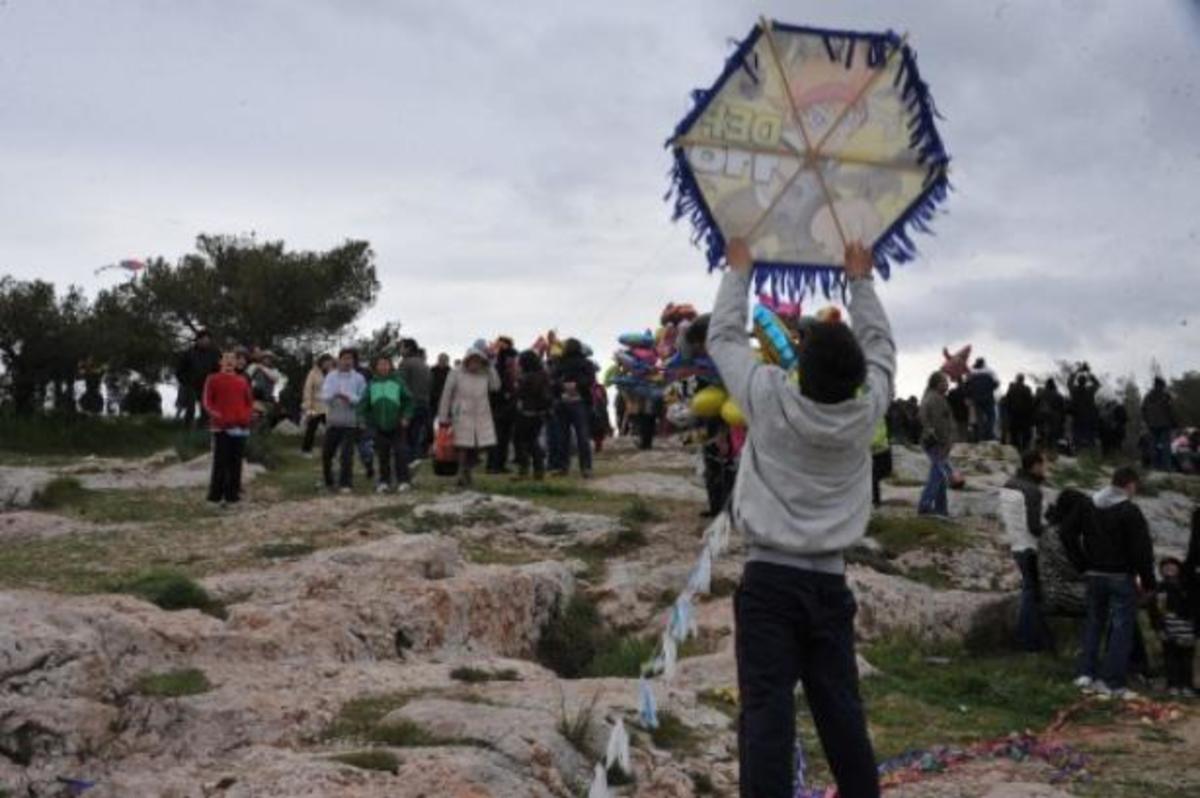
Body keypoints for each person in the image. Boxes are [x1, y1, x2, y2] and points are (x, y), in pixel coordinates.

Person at [710, 239, 890, 798]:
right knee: (841, 712)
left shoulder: (768, 398)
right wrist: (860, 281)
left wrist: (739, 271)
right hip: (830, 582)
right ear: (856, 377)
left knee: (767, 714)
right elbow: (883, 349)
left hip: (769, 580)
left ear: (800, 366)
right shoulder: (867, 413)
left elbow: (723, 338)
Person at [1073, 467, 1156, 699]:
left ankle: (1085, 673)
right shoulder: (1129, 510)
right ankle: (1110, 681)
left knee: (1093, 623)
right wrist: (1148, 582)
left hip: (1094, 574)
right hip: (1120, 576)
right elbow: (1142, 550)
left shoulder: (1088, 504)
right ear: (1130, 485)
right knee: (1121, 629)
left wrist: (1082, 562)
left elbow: (1067, 533)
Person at [1001, 450, 1054, 651]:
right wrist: (1052, 530)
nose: (1045, 469)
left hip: (1015, 542)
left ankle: (1038, 639)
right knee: (1032, 593)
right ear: (1036, 466)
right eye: (1044, 465)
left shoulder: (1009, 484)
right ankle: (1026, 640)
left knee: (1032, 592)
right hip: (1030, 546)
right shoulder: (1032, 491)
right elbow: (1034, 526)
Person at [438, 346, 500, 488]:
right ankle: (461, 474)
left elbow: (496, 386)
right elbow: (446, 395)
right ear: (467, 360)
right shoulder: (456, 373)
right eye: (473, 361)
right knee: (462, 447)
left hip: (481, 415)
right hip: (461, 415)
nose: (475, 364)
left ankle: (467, 471)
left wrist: (491, 367)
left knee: (477, 448)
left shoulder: (485, 373)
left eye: (478, 361)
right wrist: (443, 417)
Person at [201, 351, 253, 507]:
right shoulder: (213, 379)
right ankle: (214, 497)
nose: (230, 362)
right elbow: (207, 401)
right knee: (220, 463)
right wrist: (218, 416)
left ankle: (232, 496)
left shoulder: (242, 380)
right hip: (221, 427)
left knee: (236, 463)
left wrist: (246, 417)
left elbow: (249, 402)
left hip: (240, 426)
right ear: (220, 362)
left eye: (232, 359)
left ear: (236, 363)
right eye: (226, 359)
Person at [362, 355, 414, 493]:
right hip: (379, 424)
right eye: (380, 364)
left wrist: (406, 416)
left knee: (400, 453)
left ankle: (404, 481)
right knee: (382, 454)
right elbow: (364, 404)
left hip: (397, 423)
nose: (383, 367)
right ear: (376, 367)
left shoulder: (398, 382)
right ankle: (384, 481)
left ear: (390, 366)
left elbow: (408, 401)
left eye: (386, 364)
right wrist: (363, 419)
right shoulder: (372, 384)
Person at [320, 349, 368, 493]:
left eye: (350, 359)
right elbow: (325, 395)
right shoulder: (331, 376)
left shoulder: (359, 378)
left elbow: (363, 399)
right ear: (339, 360)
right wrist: (335, 395)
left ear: (354, 361)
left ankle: (346, 483)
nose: (347, 361)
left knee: (346, 455)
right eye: (345, 358)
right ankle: (328, 481)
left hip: (350, 422)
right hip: (333, 420)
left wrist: (350, 398)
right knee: (327, 454)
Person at [1148, 557, 1195, 696]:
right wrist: (1158, 628)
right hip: (1168, 628)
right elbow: (1153, 611)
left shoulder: (1189, 587)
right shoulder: (1159, 589)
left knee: (1186, 659)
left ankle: (1187, 685)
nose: (1169, 568)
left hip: (1187, 629)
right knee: (1170, 658)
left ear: (1179, 569)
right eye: (1165, 566)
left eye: (1172, 565)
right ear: (1161, 571)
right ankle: (1173, 685)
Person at [552, 338, 596, 478]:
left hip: (563, 402)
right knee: (582, 436)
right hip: (580, 402)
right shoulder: (586, 363)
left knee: (563, 436)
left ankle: (563, 467)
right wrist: (577, 384)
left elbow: (552, 380)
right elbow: (591, 380)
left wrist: (562, 385)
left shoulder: (559, 362)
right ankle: (586, 468)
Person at [918, 371, 955, 518]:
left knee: (940, 476)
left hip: (937, 443)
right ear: (936, 383)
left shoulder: (933, 397)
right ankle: (925, 505)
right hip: (937, 443)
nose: (947, 385)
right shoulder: (934, 399)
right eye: (944, 382)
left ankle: (941, 509)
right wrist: (943, 441)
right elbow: (938, 422)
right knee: (937, 475)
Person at [513, 349, 553, 479]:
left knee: (520, 441)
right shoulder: (543, 375)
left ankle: (524, 469)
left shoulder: (526, 378)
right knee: (532, 441)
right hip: (539, 413)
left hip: (526, 412)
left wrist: (517, 383)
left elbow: (519, 394)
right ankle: (538, 470)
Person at [175, 329, 220, 428]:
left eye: (208, 340)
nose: (206, 342)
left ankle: (202, 428)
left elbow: (218, 369)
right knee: (190, 408)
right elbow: (179, 370)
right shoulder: (188, 353)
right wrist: (185, 381)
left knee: (206, 408)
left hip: (207, 385)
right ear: (198, 340)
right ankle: (187, 428)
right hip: (191, 385)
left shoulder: (214, 353)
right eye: (203, 339)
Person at [487, 337, 519, 474]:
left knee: (502, 436)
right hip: (501, 405)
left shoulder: (499, 365)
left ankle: (497, 464)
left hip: (502, 405)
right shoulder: (500, 367)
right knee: (499, 435)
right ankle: (495, 465)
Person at [398, 341, 433, 461]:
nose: (400, 350)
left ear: (408, 349)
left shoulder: (405, 363)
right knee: (416, 434)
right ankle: (415, 459)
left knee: (406, 435)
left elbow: (400, 385)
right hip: (424, 403)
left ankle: (407, 461)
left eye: (402, 347)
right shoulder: (424, 364)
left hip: (409, 405)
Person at [301, 354, 334, 456]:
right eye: (326, 362)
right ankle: (306, 450)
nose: (328, 364)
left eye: (330, 362)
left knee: (332, 428)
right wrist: (307, 404)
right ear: (322, 362)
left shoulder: (333, 373)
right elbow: (308, 389)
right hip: (314, 405)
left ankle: (330, 450)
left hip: (328, 406)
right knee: (311, 428)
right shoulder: (313, 373)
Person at [1142, 377, 1176, 471]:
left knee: (1153, 445)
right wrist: (1174, 422)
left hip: (1152, 424)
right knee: (1166, 445)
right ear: (1161, 385)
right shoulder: (1166, 396)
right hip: (1165, 424)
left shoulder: (1148, 396)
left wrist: (1147, 421)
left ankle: (1155, 466)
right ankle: (1166, 466)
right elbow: (1171, 410)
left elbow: (1143, 410)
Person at [246, 350, 283, 430]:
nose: (267, 360)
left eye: (269, 358)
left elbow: (275, 379)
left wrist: (262, 368)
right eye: (265, 358)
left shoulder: (275, 371)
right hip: (254, 396)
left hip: (268, 398)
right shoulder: (254, 367)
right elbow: (247, 376)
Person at [1069, 365, 1101, 453]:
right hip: (1088, 418)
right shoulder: (1089, 391)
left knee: (1077, 438)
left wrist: (1078, 370)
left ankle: (1077, 452)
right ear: (1085, 382)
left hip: (1077, 417)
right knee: (1088, 438)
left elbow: (1070, 381)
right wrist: (1088, 373)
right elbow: (1097, 384)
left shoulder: (1074, 390)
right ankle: (1088, 454)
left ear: (1078, 382)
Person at [966, 358, 999, 442]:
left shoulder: (971, 374)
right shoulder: (989, 373)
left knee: (979, 418)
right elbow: (996, 384)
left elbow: (967, 387)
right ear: (983, 364)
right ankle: (989, 434)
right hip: (988, 399)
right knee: (991, 417)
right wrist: (989, 389)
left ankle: (980, 436)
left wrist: (971, 395)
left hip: (977, 400)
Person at [1005, 375, 1036, 453]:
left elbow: (1007, 402)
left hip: (1014, 415)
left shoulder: (1012, 389)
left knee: (1014, 434)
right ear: (1023, 380)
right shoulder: (1027, 389)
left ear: (1017, 379)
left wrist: (1009, 413)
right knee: (1025, 434)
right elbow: (1031, 402)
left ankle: (1015, 450)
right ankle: (1024, 450)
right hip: (1025, 415)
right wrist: (1030, 414)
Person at [1035, 378, 1067, 450]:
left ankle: (1040, 442)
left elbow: (1035, 404)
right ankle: (1052, 447)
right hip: (1054, 417)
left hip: (1043, 415)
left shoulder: (1042, 394)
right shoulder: (1058, 395)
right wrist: (1063, 418)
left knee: (1041, 432)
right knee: (1054, 434)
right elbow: (1062, 408)